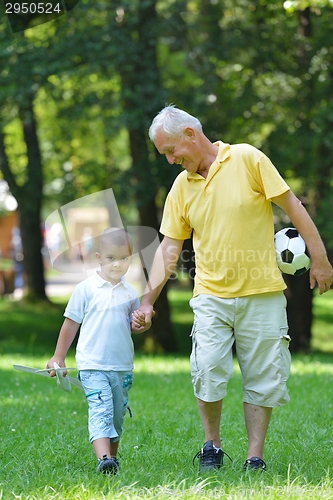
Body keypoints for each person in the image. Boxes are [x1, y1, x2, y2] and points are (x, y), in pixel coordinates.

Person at [133, 105, 333, 473]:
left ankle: (254, 455)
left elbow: (293, 205)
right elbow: (169, 247)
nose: (171, 160)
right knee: (207, 368)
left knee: (264, 376)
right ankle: (212, 445)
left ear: (191, 135)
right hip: (210, 295)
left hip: (263, 294)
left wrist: (319, 259)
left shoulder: (246, 158)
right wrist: (148, 299)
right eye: (165, 154)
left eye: (171, 151)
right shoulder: (181, 187)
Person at [47, 228, 150, 474]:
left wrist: (141, 324)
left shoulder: (130, 292)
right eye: (111, 258)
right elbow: (71, 323)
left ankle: (111, 460)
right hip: (93, 365)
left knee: (116, 415)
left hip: (122, 366)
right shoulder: (86, 289)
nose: (117, 264)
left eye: (124, 258)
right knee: (100, 409)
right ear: (99, 258)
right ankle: (103, 458)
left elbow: (134, 326)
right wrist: (58, 356)